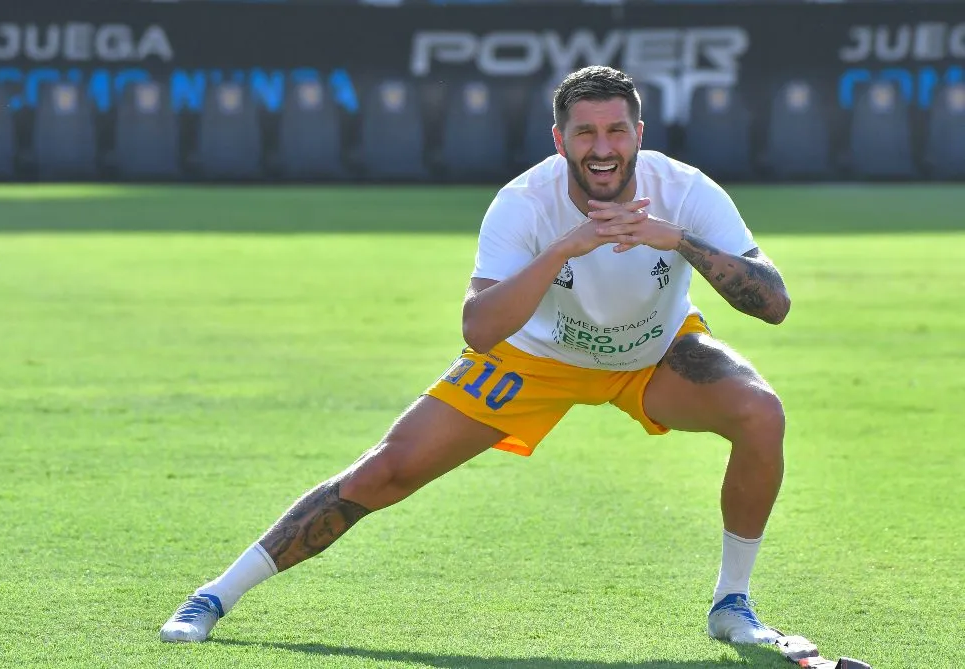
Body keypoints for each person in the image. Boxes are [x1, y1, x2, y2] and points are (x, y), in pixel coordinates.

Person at [160, 65, 791, 646]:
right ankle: (214, 596)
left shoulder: (684, 190)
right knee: (386, 471)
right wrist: (563, 250)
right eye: (585, 133)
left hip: (653, 355)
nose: (602, 148)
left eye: (616, 131)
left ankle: (731, 605)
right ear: (559, 140)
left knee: (761, 413)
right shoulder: (524, 201)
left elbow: (774, 303)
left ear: (639, 135)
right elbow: (481, 329)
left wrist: (676, 238)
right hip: (534, 359)